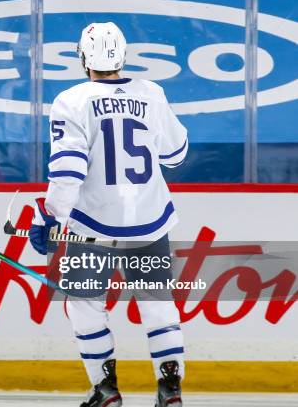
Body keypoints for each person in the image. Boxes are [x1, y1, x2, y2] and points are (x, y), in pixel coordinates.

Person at [28, 22, 188, 407]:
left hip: (92, 227)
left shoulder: (72, 99)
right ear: (123, 55)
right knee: (157, 301)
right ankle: (171, 389)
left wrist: (50, 216)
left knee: (84, 304)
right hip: (149, 221)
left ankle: (105, 389)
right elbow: (176, 154)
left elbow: (67, 171)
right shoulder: (152, 93)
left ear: (83, 57)